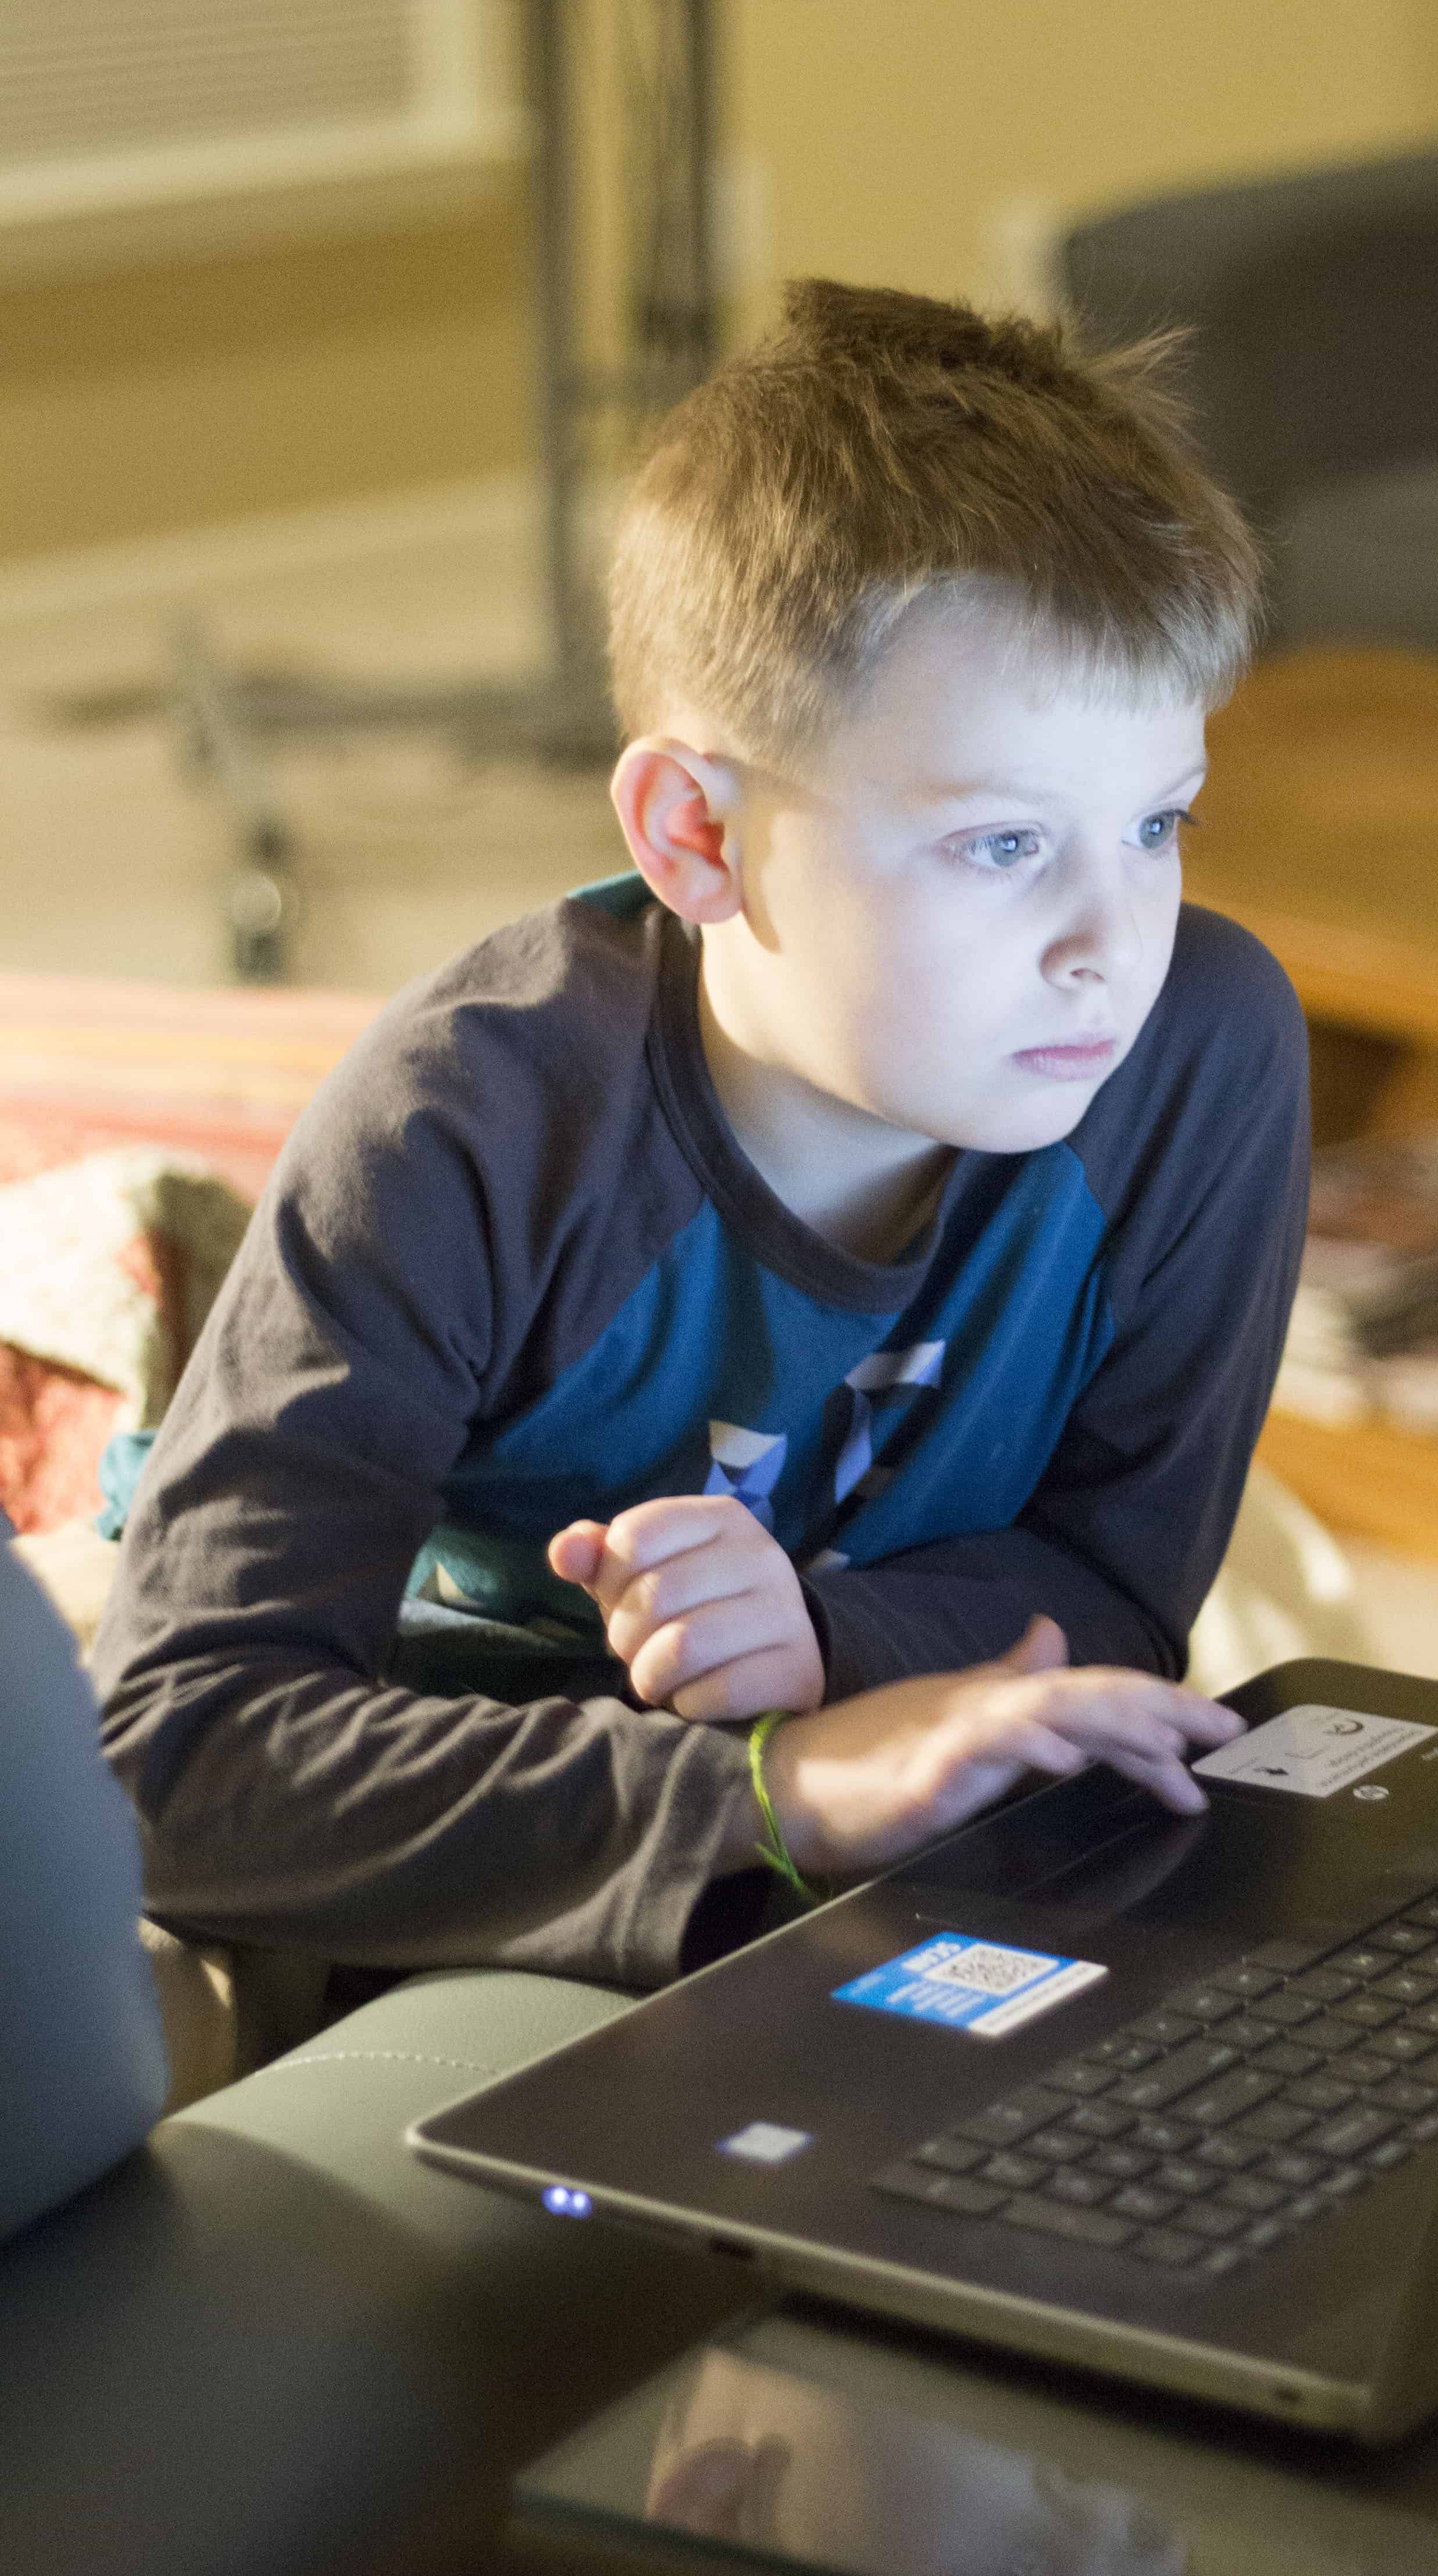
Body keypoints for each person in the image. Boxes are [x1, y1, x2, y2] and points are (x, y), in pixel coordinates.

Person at [90, 281, 1309, 1989]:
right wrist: (777, 1787)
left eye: (1159, 821)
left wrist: (828, 1643)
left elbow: (1117, 1586)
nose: (1116, 942)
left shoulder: (1197, 1056)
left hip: (885, 1822)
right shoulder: (468, 1128)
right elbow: (175, 1763)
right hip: (494, 1852)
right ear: (696, 836)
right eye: (1003, 848)